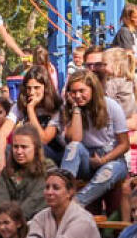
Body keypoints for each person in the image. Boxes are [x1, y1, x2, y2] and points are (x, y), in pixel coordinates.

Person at [54, 69, 129, 207]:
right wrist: (76, 109)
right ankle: (62, 193)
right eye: (73, 92)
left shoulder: (111, 106)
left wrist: (103, 160)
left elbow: (124, 144)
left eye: (82, 91)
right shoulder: (69, 109)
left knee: (108, 171)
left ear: (93, 90)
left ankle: (73, 204)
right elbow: (75, 140)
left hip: (112, 158)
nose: (77, 95)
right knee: (73, 147)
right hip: (87, 158)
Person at [0, 66, 61, 171]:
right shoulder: (20, 105)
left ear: (46, 88)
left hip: (50, 153)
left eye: (36, 88)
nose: (32, 92)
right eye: (29, 88)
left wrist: (30, 109)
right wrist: (1, 159)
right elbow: (2, 134)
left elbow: (43, 139)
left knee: (36, 148)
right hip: (27, 150)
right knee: (3, 149)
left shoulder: (56, 107)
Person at [0, 125, 53, 218]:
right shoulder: (7, 171)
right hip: (6, 222)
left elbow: (34, 202)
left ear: (35, 148)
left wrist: (14, 219)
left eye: (24, 147)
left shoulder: (48, 170)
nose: (19, 151)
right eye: (16, 147)